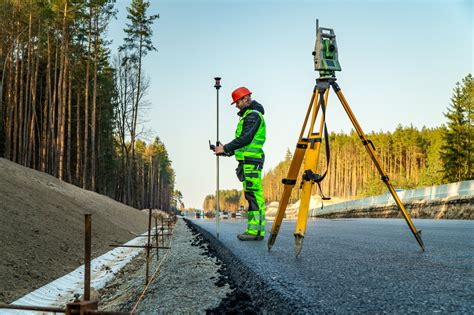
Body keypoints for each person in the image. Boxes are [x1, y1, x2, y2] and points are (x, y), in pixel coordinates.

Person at [214, 87, 266, 241]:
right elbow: (243, 144)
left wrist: (226, 147)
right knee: (251, 196)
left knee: (254, 196)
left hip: (252, 161)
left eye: (237, 102)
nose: (236, 105)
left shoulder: (253, 116)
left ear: (245, 99)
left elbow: (245, 139)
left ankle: (255, 232)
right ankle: (254, 231)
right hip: (247, 161)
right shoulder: (248, 116)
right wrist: (225, 151)